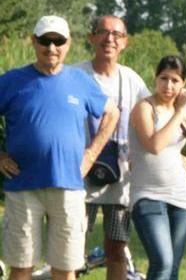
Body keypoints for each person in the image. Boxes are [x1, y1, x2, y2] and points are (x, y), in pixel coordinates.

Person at [0, 15, 119, 280]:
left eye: (58, 41)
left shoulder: (80, 80)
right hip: (22, 188)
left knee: (65, 270)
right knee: (20, 268)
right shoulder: (11, 80)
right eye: (45, 40)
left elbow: (112, 113)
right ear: (34, 41)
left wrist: (90, 155)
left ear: (68, 44)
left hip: (69, 187)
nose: (51, 48)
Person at [76, 15, 150, 280]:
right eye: (103, 32)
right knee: (71, 249)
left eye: (117, 35)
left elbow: (151, 119)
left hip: (120, 178)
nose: (110, 39)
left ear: (125, 42)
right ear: (91, 37)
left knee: (117, 249)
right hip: (79, 174)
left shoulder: (132, 80)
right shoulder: (75, 75)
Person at [129, 56, 186, 280]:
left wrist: (181, 157)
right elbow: (154, 146)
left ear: (183, 83)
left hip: (181, 197)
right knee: (162, 263)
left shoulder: (179, 112)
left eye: (175, 80)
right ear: (155, 78)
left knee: (172, 268)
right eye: (164, 78)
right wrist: (180, 112)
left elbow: (172, 146)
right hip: (148, 195)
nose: (168, 85)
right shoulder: (144, 107)